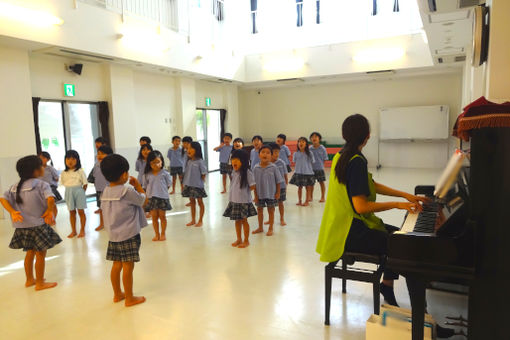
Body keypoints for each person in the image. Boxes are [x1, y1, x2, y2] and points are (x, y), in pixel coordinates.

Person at [315, 114, 426, 306]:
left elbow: (369, 184)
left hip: (339, 227)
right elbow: (361, 206)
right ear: (367, 136)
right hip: (350, 232)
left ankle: (387, 285)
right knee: (402, 244)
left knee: (399, 237)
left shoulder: (342, 156)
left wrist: (404, 195)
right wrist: (398, 205)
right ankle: (419, 311)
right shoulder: (356, 160)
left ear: (344, 135)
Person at [0, 155, 61, 291]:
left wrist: (12, 212)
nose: (43, 168)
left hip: (22, 226)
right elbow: (50, 200)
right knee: (41, 254)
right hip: (37, 225)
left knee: (29, 252)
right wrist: (49, 211)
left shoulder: (14, 186)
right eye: (41, 166)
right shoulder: (41, 184)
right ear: (35, 170)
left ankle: (29, 280)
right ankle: (39, 283)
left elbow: (2, 199)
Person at [100, 154, 147, 307]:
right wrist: (138, 186)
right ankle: (129, 298)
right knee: (128, 266)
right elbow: (141, 200)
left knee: (116, 265)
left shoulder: (105, 192)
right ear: (124, 174)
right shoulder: (126, 191)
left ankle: (117, 294)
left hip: (113, 235)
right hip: (129, 234)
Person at [223, 149, 257, 248]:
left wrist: (246, 193)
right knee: (237, 221)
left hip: (243, 201)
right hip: (234, 200)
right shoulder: (233, 172)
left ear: (244, 161)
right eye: (233, 159)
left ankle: (246, 240)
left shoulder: (247, 172)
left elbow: (253, 186)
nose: (234, 162)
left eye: (237, 160)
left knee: (244, 221)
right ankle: (239, 239)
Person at [252, 144, 284, 236]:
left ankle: (270, 228)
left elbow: (278, 181)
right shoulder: (255, 168)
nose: (265, 154)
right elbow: (254, 184)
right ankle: (260, 227)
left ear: (271, 155)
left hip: (271, 194)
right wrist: (255, 195)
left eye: (268, 153)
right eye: (263, 152)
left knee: (271, 210)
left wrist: (278, 192)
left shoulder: (273, 167)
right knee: (260, 210)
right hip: (259, 194)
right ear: (259, 155)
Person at [142, 151, 172, 241]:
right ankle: (156, 234)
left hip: (163, 197)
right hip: (151, 198)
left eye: (158, 162)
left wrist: (162, 191)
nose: (156, 164)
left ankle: (163, 233)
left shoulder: (165, 173)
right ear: (149, 163)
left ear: (162, 161)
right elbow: (145, 186)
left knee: (162, 216)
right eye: (153, 163)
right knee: (154, 217)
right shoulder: (147, 174)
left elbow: (168, 184)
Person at [61, 150, 88, 238]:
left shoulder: (80, 171)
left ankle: (82, 230)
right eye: (68, 158)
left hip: (79, 191)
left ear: (77, 160)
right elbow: (63, 183)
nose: (70, 161)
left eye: (73, 159)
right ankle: (73, 231)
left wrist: (82, 192)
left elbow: (85, 183)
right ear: (65, 160)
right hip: (68, 192)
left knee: (81, 211)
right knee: (71, 212)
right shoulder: (63, 172)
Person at [182, 142, 207, 227]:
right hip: (189, 185)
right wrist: (184, 184)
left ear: (197, 150)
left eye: (190, 148)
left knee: (200, 202)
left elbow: (203, 174)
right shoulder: (188, 161)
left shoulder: (200, 161)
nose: (188, 150)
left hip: (198, 185)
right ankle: (193, 220)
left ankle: (200, 220)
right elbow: (186, 173)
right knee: (192, 202)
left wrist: (201, 183)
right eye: (187, 148)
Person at [89, 145, 113, 231]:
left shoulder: (111, 165)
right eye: (98, 153)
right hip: (99, 190)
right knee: (101, 208)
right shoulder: (96, 165)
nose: (99, 155)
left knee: (111, 208)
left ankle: (111, 223)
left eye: (102, 154)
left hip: (109, 190)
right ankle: (102, 223)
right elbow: (92, 177)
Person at [289, 137, 316, 206]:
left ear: (306, 144)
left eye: (303, 142)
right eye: (299, 142)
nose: (301, 143)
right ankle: (300, 201)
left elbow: (313, 162)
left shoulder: (310, 153)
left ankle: (307, 201)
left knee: (307, 188)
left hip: (308, 173)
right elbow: (294, 162)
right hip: (298, 172)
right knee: (299, 188)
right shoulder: (295, 154)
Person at [268, 143, 288, 226]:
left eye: (277, 152)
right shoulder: (267, 163)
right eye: (274, 152)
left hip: (281, 187)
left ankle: (282, 218)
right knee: (270, 205)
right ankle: (270, 219)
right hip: (270, 187)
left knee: (280, 203)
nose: (276, 154)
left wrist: (286, 184)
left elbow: (285, 175)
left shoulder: (281, 163)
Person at [309, 132, 329, 203]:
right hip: (311, 169)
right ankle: (310, 197)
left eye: (316, 137)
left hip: (320, 169)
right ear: (310, 139)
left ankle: (323, 197)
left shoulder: (322, 148)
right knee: (311, 184)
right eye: (312, 137)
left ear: (319, 139)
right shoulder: (309, 148)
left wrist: (321, 166)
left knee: (321, 183)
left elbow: (325, 159)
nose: (314, 138)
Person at [181, 136, 194, 207]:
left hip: (191, 173)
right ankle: (191, 200)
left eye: (186, 143)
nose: (184, 144)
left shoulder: (191, 152)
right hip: (184, 171)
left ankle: (193, 201)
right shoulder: (183, 151)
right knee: (187, 187)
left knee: (191, 187)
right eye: (183, 143)